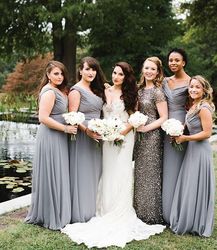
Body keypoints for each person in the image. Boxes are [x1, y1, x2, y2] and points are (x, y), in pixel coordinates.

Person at [61, 62, 165, 248]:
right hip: (106, 138)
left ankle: (121, 211)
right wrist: (104, 131)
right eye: (114, 72)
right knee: (107, 171)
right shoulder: (105, 91)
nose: (116, 76)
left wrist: (119, 134)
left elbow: (134, 119)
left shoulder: (131, 94)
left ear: (126, 77)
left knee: (122, 171)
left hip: (124, 137)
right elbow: (101, 115)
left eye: (121, 74)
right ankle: (104, 209)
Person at [25, 61, 78, 230]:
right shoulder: (48, 92)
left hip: (59, 136)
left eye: (61, 74)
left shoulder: (59, 91)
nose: (60, 77)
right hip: (50, 136)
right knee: (52, 172)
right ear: (48, 75)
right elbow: (43, 118)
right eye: (56, 73)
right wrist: (65, 128)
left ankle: (56, 211)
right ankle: (51, 214)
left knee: (58, 172)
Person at [170, 75, 215, 237]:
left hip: (200, 150)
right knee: (191, 183)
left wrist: (185, 138)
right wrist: (176, 131)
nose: (193, 90)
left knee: (197, 183)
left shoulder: (204, 107)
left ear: (204, 90)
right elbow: (188, 126)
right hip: (192, 150)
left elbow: (207, 133)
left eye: (197, 87)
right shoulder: (194, 105)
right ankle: (190, 219)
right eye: (191, 87)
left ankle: (198, 222)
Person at [68, 56, 106, 223]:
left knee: (95, 172)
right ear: (80, 71)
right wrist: (87, 130)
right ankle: (81, 211)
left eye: (93, 69)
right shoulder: (76, 91)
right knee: (83, 173)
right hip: (83, 138)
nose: (91, 72)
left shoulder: (95, 89)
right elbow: (73, 116)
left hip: (97, 136)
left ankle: (93, 208)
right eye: (87, 69)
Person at [133, 57, 168, 225]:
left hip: (152, 136)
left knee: (150, 174)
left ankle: (151, 214)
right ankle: (138, 211)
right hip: (138, 136)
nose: (149, 71)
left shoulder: (157, 92)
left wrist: (146, 128)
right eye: (146, 68)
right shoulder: (139, 90)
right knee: (140, 173)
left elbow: (164, 118)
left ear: (158, 72)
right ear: (143, 69)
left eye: (153, 69)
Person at [162, 48, 191, 224]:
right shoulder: (164, 81)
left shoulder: (190, 82)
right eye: (171, 60)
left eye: (177, 60)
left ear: (184, 62)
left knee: (179, 167)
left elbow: (194, 106)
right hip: (164, 126)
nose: (173, 63)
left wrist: (184, 127)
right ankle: (166, 210)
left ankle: (178, 209)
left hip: (181, 125)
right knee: (167, 166)